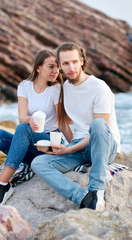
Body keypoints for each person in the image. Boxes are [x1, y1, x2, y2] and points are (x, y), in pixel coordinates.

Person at [0, 49, 72, 205]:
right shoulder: (24, 86)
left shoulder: (56, 88)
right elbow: (22, 117)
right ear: (38, 68)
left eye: (57, 67)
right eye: (51, 66)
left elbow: (63, 122)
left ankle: (2, 185)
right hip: (29, 146)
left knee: (23, 128)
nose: (56, 71)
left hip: (49, 145)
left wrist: (75, 148)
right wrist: (30, 119)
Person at [31, 42, 121, 211]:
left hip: (103, 145)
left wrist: (70, 149)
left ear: (81, 60)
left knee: (97, 123)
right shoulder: (64, 88)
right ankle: (82, 196)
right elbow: (64, 121)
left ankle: (96, 191)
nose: (71, 67)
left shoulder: (99, 88)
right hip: (79, 147)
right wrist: (66, 147)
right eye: (65, 63)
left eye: (74, 61)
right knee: (38, 163)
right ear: (59, 66)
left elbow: (100, 130)